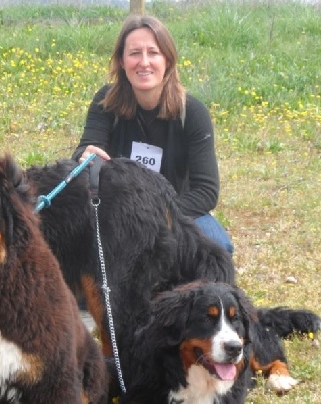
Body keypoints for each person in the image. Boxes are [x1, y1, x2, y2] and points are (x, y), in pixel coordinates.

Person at [73, 15, 234, 254]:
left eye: (153, 52)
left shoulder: (192, 113)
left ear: (168, 60)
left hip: (176, 211)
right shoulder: (105, 103)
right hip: (116, 213)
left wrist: (153, 215)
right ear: (121, 60)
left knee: (219, 247)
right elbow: (84, 153)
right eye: (135, 53)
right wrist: (83, 156)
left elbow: (206, 192)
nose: (144, 62)